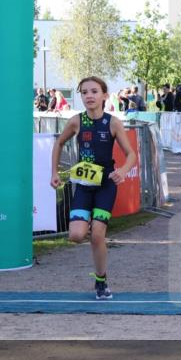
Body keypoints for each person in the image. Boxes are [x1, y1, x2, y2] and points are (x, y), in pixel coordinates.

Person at [51, 76, 137, 300]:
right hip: (84, 185)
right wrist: (53, 173)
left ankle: (101, 281)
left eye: (94, 91)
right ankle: (89, 225)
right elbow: (59, 143)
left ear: (104, 96)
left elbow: (131, 154)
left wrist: (123, 171)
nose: (89, 96)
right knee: (76, 235)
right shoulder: (76, 121)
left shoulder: (113, 122)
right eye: (84, 92)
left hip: (106, 185)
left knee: (97, 235)